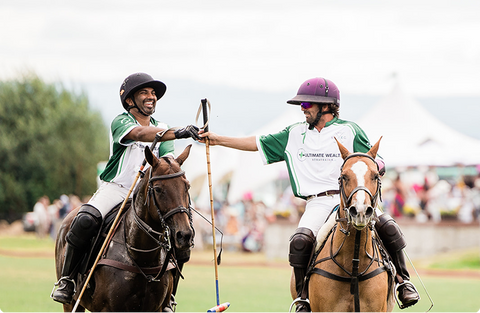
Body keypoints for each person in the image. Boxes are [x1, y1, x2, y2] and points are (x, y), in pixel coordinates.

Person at [199, 77, 420, 311]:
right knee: (300, 241)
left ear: (326, 106)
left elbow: (374, 159)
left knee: (388, 226)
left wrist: (377, 167)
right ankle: (303, 297)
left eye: (306, 105)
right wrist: (216, 139)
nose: (302, 110)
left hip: (352, 196)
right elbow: (256, 143)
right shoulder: (294, 135)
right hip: (319, 202)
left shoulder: (349, 130)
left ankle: (403, 282)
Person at [52, 72, 200, 312]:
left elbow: (167, 161)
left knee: (181, 234)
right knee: (84, 221)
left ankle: (169, 296)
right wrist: (180, 131)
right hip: (117, 189)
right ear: (130, 100)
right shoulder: (121, 122)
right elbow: (140, 135)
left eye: (153, 93)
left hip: (149, 193)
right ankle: (68, 281)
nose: (151, 97)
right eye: (144, 93)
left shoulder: (162, 128)